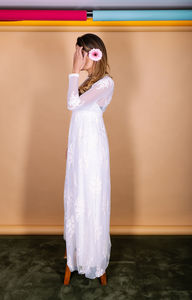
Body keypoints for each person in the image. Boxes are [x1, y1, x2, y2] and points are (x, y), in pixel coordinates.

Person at [63, 33, 114, 279]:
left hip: (92, 149)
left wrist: (73, 71)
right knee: (76, 195)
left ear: (93, 54)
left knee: (90, 197)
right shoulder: (89, 84)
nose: (77, 57)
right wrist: (71, 147)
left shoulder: (105, 83)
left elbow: (73, 105)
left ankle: (92, 256)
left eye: (80, 52)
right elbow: (79, 117)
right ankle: (77, 251)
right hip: (80, 147)